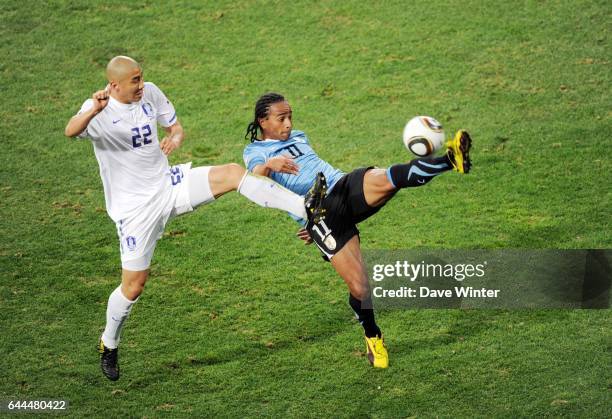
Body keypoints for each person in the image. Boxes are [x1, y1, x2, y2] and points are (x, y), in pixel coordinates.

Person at [64, 57, 320, 381]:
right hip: (135, 212)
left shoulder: (149, 94)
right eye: (135, 81)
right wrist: (93, 111)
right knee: (133, 286)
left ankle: (306, 208)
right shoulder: (98, 109)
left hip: (167, 185)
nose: (142, 85)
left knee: (231, 173)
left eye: (142, 78)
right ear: (114, 85)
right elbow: (71, 130)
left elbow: (174, 125)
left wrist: (176, 135)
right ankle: (109, 343)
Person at [243, 92, 472, 368]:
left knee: (388, 178)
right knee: (361, 287)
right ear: (263, 121)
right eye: (281, 118)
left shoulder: (299, 135)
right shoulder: (255, 152)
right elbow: (254, 183)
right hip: (321, 216)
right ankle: (373, 336)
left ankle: (451, 160)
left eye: (290, 116)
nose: (289, 123)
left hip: (341, 186)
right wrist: (269, 165)